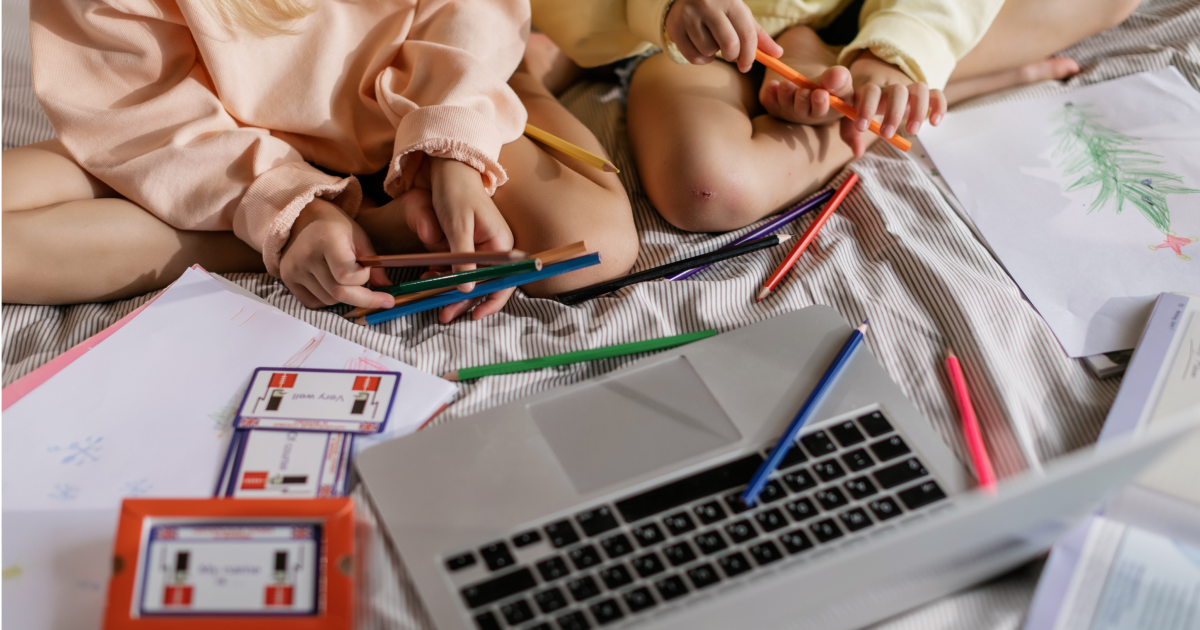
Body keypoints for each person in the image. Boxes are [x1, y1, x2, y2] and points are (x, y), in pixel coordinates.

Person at [2, 0, 638, 323]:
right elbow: (136, 109)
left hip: (418, 96)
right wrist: (296, 210)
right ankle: (306, 231)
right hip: (218, 136)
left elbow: (465, 14)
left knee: (589, 245)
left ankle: (525, 76)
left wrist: (454, 152)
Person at [532, 0, 1140, 232]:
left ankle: (883, 84)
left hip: (880, 13)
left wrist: (897, 52)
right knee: (709, 189)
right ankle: (916, 93)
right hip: (699, 33)